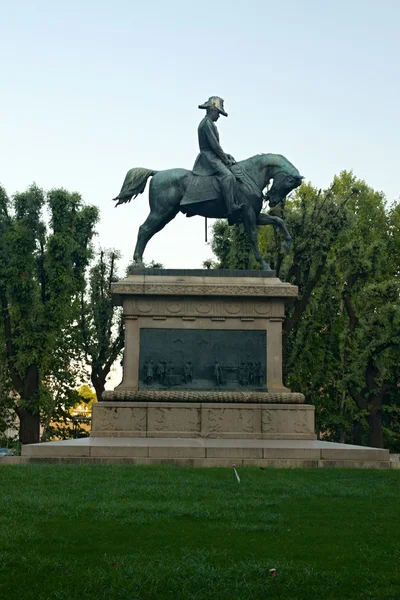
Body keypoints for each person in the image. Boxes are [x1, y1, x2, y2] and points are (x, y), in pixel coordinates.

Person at [192, 96, 244, 221]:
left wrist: (226, 155)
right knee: (229, 176)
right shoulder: (206, 124)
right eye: (218, 113)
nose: (219, 116)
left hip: (212, 155)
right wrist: (225, 159)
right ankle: (230, 207)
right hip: (208, 157)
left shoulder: (209, 124)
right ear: (213, 110)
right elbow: (214, 146)